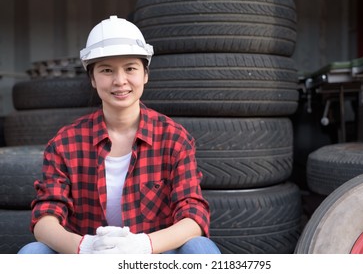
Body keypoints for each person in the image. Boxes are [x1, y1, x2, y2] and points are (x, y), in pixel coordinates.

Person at [18, 15, 220, 254]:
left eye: (130, 68)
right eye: (106, 70)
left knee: (200, 247)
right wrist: (85, 247)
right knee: (32, 253)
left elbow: (193, 215)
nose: (120, 81)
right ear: (92, 79)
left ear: (145, 75)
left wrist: (144, 245)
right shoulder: (65, 143)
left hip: (154, 256)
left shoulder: (174, 138)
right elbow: (45, 217)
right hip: (87, 259)